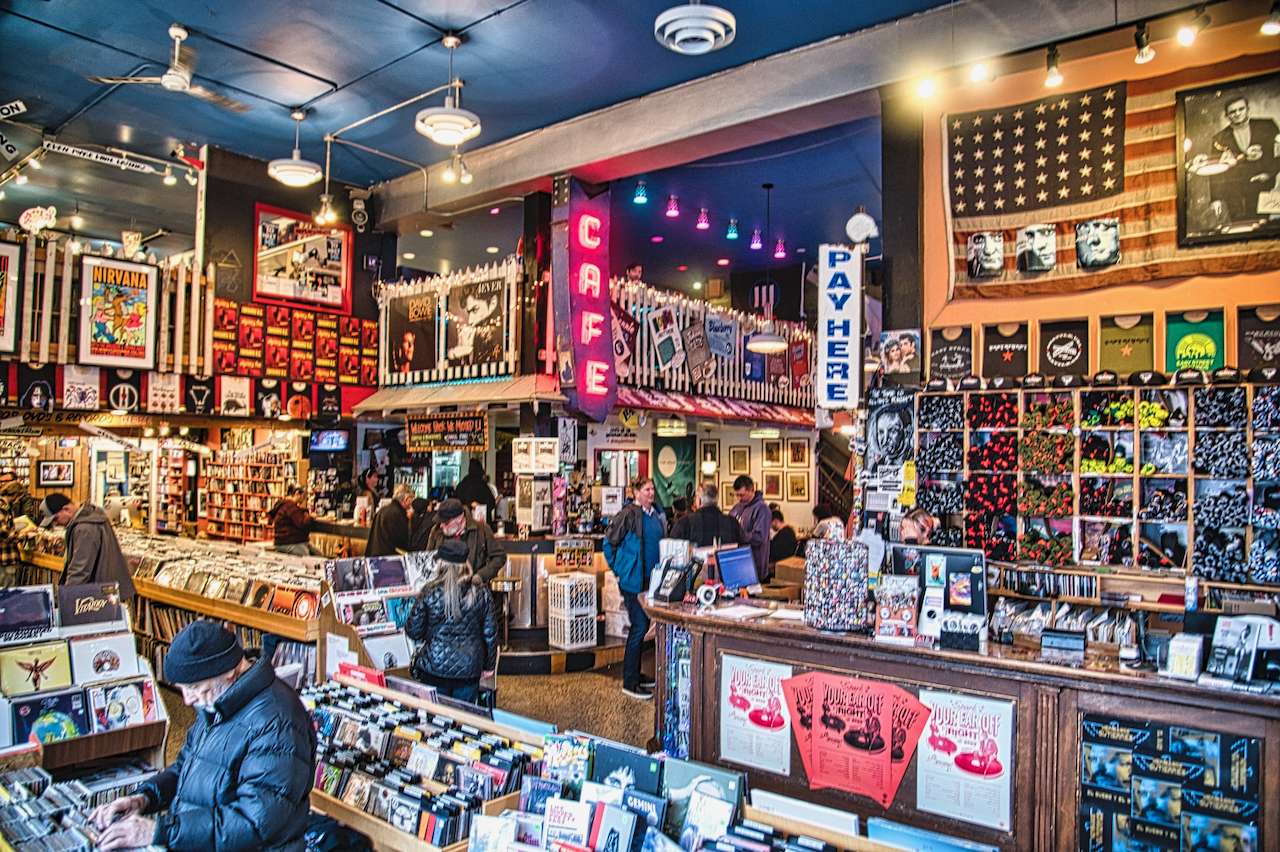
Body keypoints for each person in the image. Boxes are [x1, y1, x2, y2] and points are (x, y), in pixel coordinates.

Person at [90, 621, 314, 851]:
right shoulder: (217, 702)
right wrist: (144, 798)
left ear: (229, 671)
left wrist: (160, 831)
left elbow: (254, 822)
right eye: (182, 688)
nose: (187, 700)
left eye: (195, 687)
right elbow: (186, 768)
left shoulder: (278, 724)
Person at [405, 539, 498, 703]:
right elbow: (490, 634)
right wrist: (489, 666)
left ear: (440, 563)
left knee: (435, 719)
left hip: (434, 667)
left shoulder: (429, 592)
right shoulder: (481, 593)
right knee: (463, 719)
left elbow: (413, 630)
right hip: (469, 669)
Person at [603, 477, 665, 700]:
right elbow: (608, 544)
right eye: (647, 489)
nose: (651, 493)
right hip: (632, 580)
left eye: (652, 489)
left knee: (644, 624)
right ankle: (629, 682)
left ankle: (636, 674)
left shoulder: (655, 514)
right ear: (636, 492)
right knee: (639, 626)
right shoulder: (628, 514)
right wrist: (619, 570)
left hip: (650, 580)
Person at [41, 494, 134, 601]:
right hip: (107, 590)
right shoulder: (92, 516)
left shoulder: (85, 529)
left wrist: (66, 599)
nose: (56, 523)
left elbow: (80, 570)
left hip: (99, 596)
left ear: (66, 509)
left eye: (56, 518)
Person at [1210, 96, 1280, 222]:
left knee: (1266, 228)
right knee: (1240, 228)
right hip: (1234, 193)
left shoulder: (1268, 126)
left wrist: (1269, 174)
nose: (1237, 114)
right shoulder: (1219, 139)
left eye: (1241, 109)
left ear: (1248, 109)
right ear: (1227, 116)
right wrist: (1216, 198)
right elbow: (1215, 170)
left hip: (1266, 188)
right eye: (1232, 112)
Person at [425, 498, 507, 582]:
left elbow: (499, 556)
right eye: (440, 522)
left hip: (473, 588)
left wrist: (481, 575)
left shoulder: (482, 530)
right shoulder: (436, 531)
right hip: (442, 588)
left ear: (459, 519)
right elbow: (428, 559)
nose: (441, 525)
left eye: (446, 523)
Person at [670, 484, 743, 548]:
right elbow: (740, 549)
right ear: (716, 500)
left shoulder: (684, 523)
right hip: (725, 563)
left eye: (696, 497)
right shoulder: (733, 523)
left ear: (699, 500)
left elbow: (673, 551)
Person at [729, 475, 771, 583]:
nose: (739, 498)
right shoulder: (737, 508)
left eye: (741, 495)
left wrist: (739, 535)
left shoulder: (762, 509)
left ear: (751, 490)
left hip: (754, 564)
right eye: (737, 495)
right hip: (738, 561)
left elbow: (759, 537)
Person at [0, 472, 33, 586]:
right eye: (19, 497)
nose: (18, 500)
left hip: (6, 559)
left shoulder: (5, 508)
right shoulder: (2, 508)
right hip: (5, 559)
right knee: (7, 595)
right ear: (15, 495)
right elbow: (4, 533)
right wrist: (25, 535)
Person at [366, 483, 413, 557]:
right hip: (389, 558)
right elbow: (403, 541)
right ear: (406, 499)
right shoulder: (399, 514)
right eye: (411, 499)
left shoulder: (382, 510)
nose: (411, 503)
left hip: (375, 555)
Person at [267, 484, 315, 557]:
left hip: (288, 540)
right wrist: (311, 517)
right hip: (288, 542)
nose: (304, 499)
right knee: (308, 558)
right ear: (297, 494)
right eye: (303, 496)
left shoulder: (283, 504)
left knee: (317, 554)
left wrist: (305, 512)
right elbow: (302, 523)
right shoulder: (290, 506)